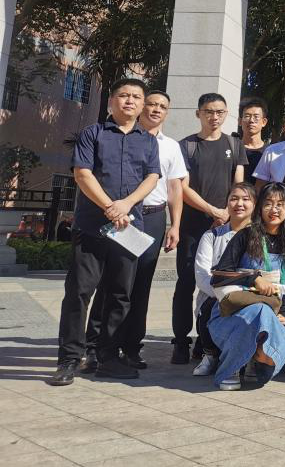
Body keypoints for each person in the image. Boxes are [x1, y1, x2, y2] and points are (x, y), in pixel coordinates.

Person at [49, 78, 161, 386]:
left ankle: (108, 357)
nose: (130, 101)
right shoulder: (93, 133)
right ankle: (70, 359)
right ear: (112, 101)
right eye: (124, 95)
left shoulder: (148, 140)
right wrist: (111, 207)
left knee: (120, 295)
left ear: (142, 105)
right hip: (91, 227)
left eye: (136, 97)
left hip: (128, 229)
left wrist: (126, 205)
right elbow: (82, 174)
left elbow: (152, 177)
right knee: (79, 293)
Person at [85, 89, 186, 373]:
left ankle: (131, 347)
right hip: (119, 216)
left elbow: (175, 187)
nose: (155, 109)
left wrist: (174, 224)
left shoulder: (171, 147)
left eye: (162, 106)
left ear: (167, 112)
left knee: (140, 285)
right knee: (110, 282)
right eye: (151, 104)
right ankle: (95, 347)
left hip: (151, 217)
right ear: (142, 107)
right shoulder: (121, 137)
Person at [172, 92, 247, 365]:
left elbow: (238, 185)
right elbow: (182, 187)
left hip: (227, 225)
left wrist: (230, 211)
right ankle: (180, 340)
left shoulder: (233, 144)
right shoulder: (187, 146)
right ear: (198, 113)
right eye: (208, 112)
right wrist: (212, 210)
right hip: (196, 224)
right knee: (187, 282)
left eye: (219, 112)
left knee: (224, 281)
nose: (214, 117)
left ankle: (207, 340)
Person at [208, 182, 285, 390]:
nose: (274, 210)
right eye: (268, 204)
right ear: (260, 207)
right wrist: (253, 279)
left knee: (267, 324)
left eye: (281, 204)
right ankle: (230, 367)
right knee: (260, 310)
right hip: (232, 313)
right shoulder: (245, 236)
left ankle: (253, 356)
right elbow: (219, 277)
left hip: (273, 314)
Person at [191, 182, 256, 377]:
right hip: (216, 296)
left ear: (255, 204)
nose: (239, 204)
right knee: (210, 305)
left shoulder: (260, 237)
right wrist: (226, 294)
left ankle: (251, 357)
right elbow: (202, 275)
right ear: (227, 203)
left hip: (250, 297)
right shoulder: (212, 236)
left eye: (246, 199)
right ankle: (210, 354)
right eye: (234, 199)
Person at [238, 97, 270, 176]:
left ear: (264, 122)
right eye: (247, 116)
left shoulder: (270, 152)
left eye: (256, 117)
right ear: (240, 121)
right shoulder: (232, 149)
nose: (251, 120)